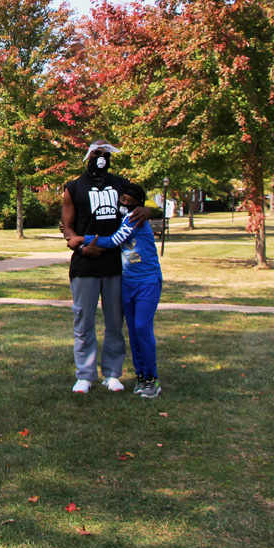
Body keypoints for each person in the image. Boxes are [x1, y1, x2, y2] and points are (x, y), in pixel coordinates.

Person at [60, 140, 148, 394]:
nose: (101, 158)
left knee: (114, 321)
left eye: (106, 154)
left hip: (116, 264)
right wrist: (81, 248)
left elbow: (139, 206)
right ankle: (85, 375)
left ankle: (112, 373)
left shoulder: (121, 185)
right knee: (83, 321)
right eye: (97, 153)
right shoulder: (73, 187)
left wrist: (145, 210)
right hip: (85, 264)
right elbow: (67, 228)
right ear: (88, 155)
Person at [87, 183, 163, 398]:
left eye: (131, 201)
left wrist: (79, 239)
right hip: (128, 282)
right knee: (134, 331)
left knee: (142, 328)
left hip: (148, 282)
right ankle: (141, 377)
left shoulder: (134, 219)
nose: (126, 204)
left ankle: (151, 378)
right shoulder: (123, 219)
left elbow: (113, 242)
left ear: (138, 204)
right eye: (123, 200)